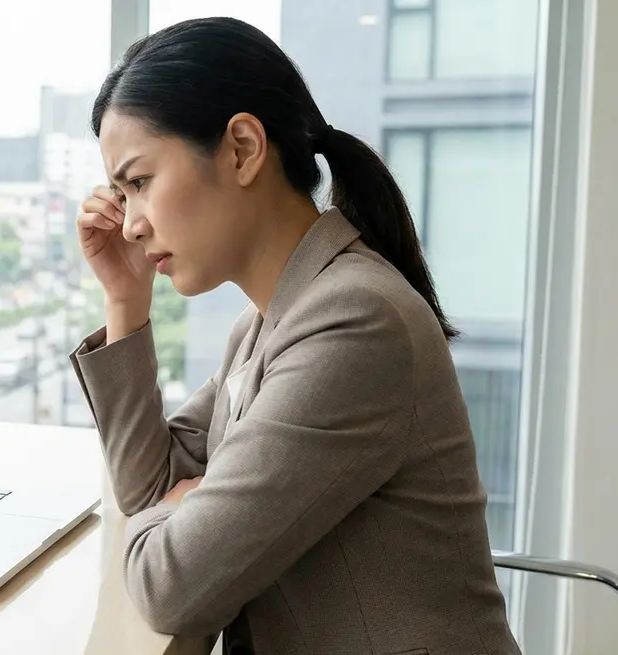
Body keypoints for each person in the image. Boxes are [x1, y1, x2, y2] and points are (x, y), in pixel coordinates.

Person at [69, 17, 520, 655]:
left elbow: (170, 585)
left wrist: (189, 509)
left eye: (139, 182)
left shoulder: (354, 325)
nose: (132, 226)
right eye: (120, 193)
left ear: (244, 149)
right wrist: (125, 298)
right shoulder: (266, 324)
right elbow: (148, 489)